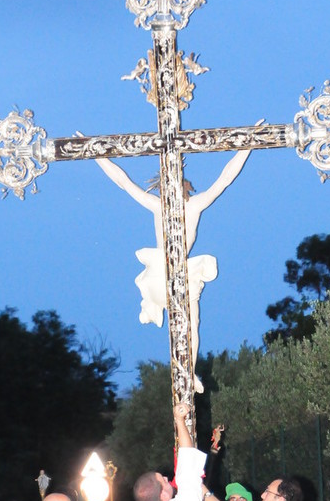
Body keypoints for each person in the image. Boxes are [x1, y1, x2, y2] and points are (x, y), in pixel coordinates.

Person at [96, 148, 254, 392]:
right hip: (162, 270)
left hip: (183, 271)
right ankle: (151, 307)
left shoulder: (195, 205)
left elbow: (225, 178)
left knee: (192, 323)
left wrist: (247, 146)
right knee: (185, 323)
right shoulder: (158, 206)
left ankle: (188, 373)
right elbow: (124, 182)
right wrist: (97, 155)